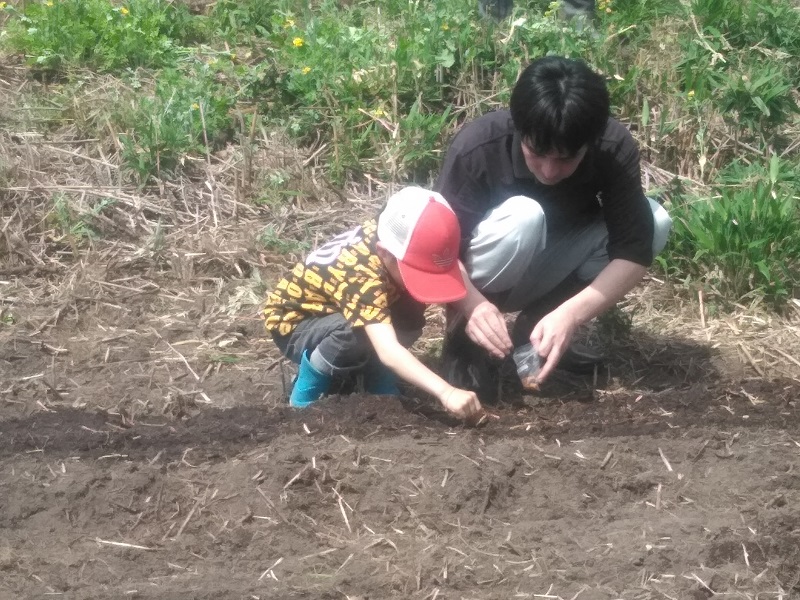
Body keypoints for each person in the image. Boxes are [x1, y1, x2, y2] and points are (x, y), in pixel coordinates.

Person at [434, 55, 673, 402]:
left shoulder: (613, 146)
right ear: (519, 129)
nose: (548, 171)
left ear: (590, 142)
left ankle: (539, 330)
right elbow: (438, 251)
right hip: (479, 276)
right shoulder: (477, 147)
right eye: (537, 152)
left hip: (549, 263)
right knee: (524, 216)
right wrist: (472, 307)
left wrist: (571, 315)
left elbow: (633, 250)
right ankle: (467, 342)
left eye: (566, 158)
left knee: (655, 221)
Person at [263, 186, 483, 421]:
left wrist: (478, 305)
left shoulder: (388, 234)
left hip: (341, 308)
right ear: (385, 253)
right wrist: (446, 392)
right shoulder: (360, 273)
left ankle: (376, 376)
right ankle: (306, 388)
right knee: (353, 332)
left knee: (409, 315)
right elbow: (388, 349)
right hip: (297, 324)